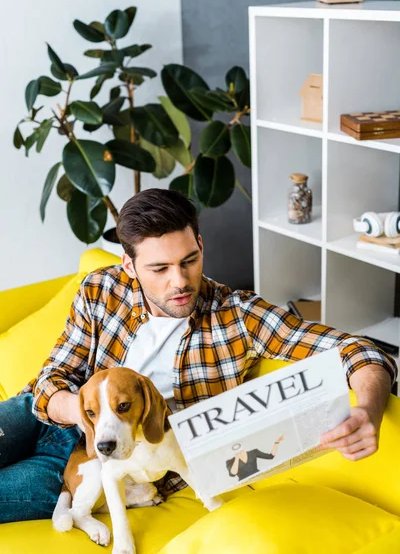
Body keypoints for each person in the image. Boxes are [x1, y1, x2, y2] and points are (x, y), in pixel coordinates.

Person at [0, 189, 396, 523]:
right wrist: (88, 421)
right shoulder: (101, 289)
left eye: (189, 260)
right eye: (159, 268)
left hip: (96, 466)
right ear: (129, 265)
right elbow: (51, 378)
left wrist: (369, 408)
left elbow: (358, 350)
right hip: (45, 418)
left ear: (201, 245)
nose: (180, 281)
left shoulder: (238, 317)